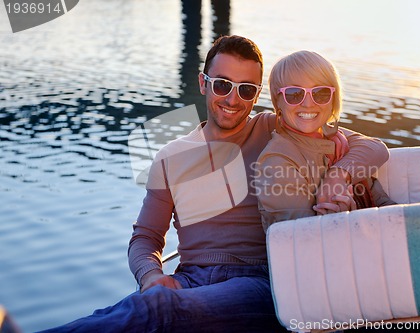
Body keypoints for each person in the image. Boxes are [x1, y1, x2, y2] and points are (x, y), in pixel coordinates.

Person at [39, 35, 389, 333]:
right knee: (150, 303)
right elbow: (145, 238)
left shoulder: (278, 127)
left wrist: (339, 175)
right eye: (222, 85)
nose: (233, 99)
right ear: (204, 83)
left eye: (246, 89)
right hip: (190, 280)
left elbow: (370, 146)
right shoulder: (170, 157)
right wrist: (149, 276)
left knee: (157, 311)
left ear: (257, 96)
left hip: (261, 279)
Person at [254, 50, 395, 231]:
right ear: (277, 101)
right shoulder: (276, 162)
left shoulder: (334, 138)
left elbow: (377, 148)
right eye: (294, 93)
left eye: (320, 93)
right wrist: (345, 220)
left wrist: (337, 175)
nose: (308, 103)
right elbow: (299, 242)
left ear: (333, 99)